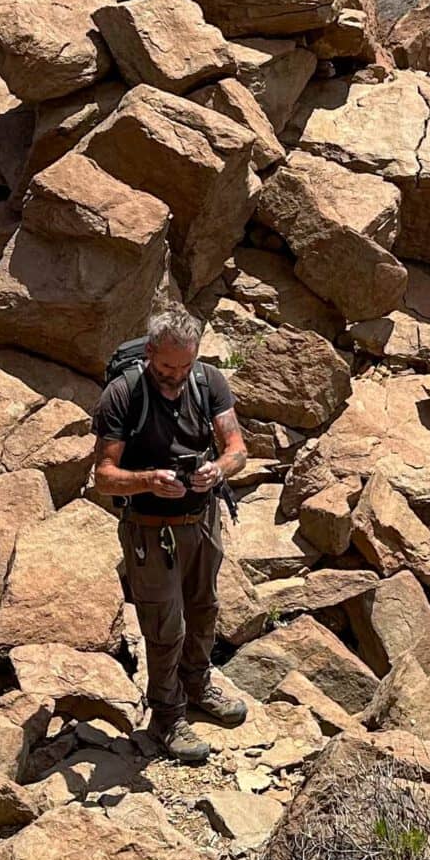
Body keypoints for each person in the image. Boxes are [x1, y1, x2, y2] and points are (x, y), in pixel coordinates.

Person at [90, 311, 250, 764]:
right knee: (165, 626)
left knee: (204, 609)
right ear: (149, 354)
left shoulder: (207, 381)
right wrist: (147, 481)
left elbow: (236, 449)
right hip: (149, 528)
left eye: (184, 368)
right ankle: (166, 716)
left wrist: (216, 470)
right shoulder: (122, 395)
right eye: (166, 369)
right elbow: (103, 475)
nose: (176, 378)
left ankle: (197, 687)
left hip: (201, 518)